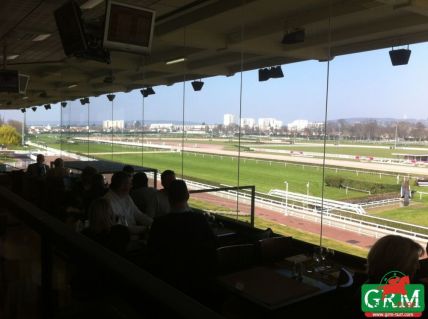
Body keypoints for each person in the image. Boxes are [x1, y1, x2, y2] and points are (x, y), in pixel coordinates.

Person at [104, 171, 152, 237]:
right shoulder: (107, 202)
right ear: (122, 185)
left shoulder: (126, 196)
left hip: (133, 235)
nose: (131, 186)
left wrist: (153, 224)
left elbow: (138, 214)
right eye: (130, 184)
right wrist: (147, 229)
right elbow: (122, 229)